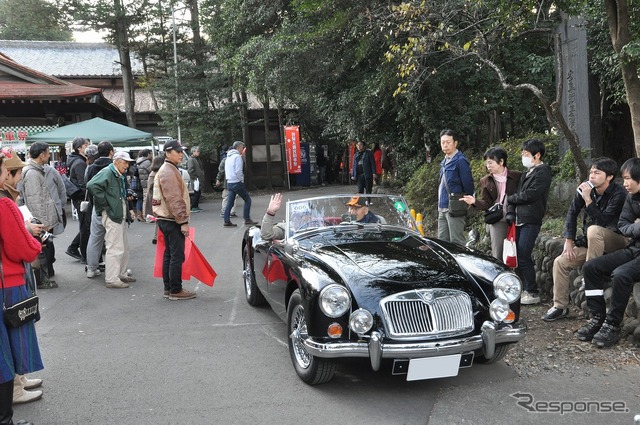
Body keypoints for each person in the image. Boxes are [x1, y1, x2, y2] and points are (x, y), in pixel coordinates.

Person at [543, 157, 628, 322]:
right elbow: (572, 213)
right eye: (591, 172)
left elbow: (603, 221)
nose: (592, 176)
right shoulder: (586, 188)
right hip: (593, 243)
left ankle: (590, 276)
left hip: (618, 242)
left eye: (597, 172)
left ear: (609, 176)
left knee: (594, 229)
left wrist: (588, 200)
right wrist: (569, 240)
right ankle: (560, 306)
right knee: (561, 262)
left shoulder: (619, 194)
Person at [0, 149, 44, 425]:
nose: (7, 175)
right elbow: (23, 249)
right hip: (8, 285)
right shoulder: (4, 206)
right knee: (6, 353)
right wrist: (36, 242)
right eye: (4, 171)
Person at [576, 158, 640, 347]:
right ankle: (597, 317)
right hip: (634, 248)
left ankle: (613, 325)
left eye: (628, 179)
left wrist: (634, 226)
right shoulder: (631, 198)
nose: (624, 184)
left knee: (621, 274)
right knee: (591, 267)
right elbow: (623, 225)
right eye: (623, 178)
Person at [505, 138, 552, 305]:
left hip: (531, 219)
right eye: (523, 153)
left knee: (524, 254)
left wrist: (512, 199)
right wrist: (511, 208)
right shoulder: (527, 173)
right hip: (518, 219)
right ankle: (522, 287)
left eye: (526, 154)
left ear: (537, 155)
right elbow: (516, 197)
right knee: (517, 255)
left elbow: (531, 194)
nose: (523, 156)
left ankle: (532, 291)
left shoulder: (543, 172)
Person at [152, 140, 196, 300]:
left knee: (169, 255)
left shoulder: (167, 169)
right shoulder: (169, 171)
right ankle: (175, 290)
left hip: (165, 218)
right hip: (172, 219)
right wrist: (183, 221)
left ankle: (168, 288)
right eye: (177, 151)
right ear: (168, 152)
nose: (180, 154)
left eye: (181, 151)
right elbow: (174, 199)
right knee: (176, 255)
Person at [460, 147, 522, 260]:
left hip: (517, 216)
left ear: (501, 161)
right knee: (498, 252)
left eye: (490, 162)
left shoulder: (517, 176)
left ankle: (516, 277)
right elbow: (487, 203)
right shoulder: (486, 180)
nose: (488, 166)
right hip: (498, 218)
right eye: (486, 163)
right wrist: (475, 201)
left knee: (517, 252)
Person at [86, 151, 137, 289]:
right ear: (116, 161)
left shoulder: (115, 172)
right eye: (125, 162)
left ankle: (121, 273)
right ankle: (112, 278)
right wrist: (105, 205)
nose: (127, 165)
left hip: (117, 212)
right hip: (113, 213)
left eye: (128, 162)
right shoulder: (108, 172)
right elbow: (91, 185)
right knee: (115, 246)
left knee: (122, 246)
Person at [19, 142, 63, 289]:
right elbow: (36, 201)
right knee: (41, 251)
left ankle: (45, 278)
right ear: (41, 155)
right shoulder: (32, 173)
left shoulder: (36, 170)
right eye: (48, 152)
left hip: (41, 220)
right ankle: (42, 281)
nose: (49, 155)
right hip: (40, 221)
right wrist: (43, 224)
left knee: (43, 250)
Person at [437, 129, 475, 246]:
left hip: (455, 206)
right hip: (442, 206)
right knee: (442, 242)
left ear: (455, 143)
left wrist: (469, 199)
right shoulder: (444, 161)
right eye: (443, 142)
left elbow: (468, 183)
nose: (445, 145)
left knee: (457, 243)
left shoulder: (460, 160)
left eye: (448, 142)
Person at [85, 142, 114, 279]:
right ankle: (115, 269)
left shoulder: (91, 168)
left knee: (95, 238)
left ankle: (91, 268)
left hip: (96, 207)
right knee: (114, 240)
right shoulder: (113, 166)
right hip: (113, 208)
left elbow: (88, 186)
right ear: (111, 152)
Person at [65, 137, 90, 261]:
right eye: (86, 145)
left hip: (79, 198)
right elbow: (83, 184)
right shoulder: (79, 163)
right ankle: (84, 254)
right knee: (85, 228)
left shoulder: (77, 160)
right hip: (81, 198)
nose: (88, 147)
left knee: (86, 226)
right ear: (79, 148)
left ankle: (74, 247)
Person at [223, 141, 258, 227]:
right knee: (247, 200)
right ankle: (247, 219)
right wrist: (241, 180)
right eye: (242, 147)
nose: (243, 149)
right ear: (238, 148)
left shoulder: (228, 157)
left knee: (230, 203)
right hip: (236, 182)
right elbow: (238, 170)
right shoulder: (237, 157)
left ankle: (226, 220)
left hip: (229, 182)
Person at [145, 154, 164, 245]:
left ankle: (156, 237)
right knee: (160, 219)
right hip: (157, 200)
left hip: (152, 199)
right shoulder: (157, 174)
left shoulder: (152, 173)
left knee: (158, 219)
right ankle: (157, 237)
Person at [215, 145, 237, 218]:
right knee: (234, 197)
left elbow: (221, 171)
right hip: (235, 182)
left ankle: (224, 211)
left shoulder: (224, 160)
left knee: (226, 197)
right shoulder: (237, 159)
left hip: (226, 182)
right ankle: (231, 211)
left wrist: (218, 179)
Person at [134, 148, 152, 222]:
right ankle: (146, 215)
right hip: (146, 183)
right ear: (147, 154)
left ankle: (140, 215)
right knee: (146, 200)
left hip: (140, 183)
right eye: (150, 153)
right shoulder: (147, 162)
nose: (151, 155)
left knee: (141, 199)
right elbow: (151, 170)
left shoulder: (138, 161)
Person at [187, 146, 205, 213]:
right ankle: (193, 207)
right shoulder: (191, 159)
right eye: (197, 151)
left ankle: (196, 206)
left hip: (198, 178)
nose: (198, 153)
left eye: (198, 151)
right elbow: (190, 170)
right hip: (195, 179)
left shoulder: (197, 159)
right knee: (196, 193)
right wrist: (195, 177)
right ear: (193, 152)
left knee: (198, 192)